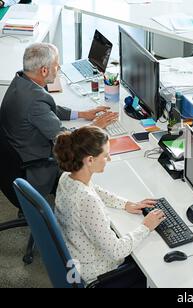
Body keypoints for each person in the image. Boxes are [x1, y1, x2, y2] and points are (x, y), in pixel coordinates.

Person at [53, 126, 166, 287]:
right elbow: (116, 250)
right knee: (153, 265)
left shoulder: (68, 177)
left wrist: (125, 204)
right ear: (90, 159)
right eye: (106, 156)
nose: (110, 159)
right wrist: (146, 226)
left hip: (75, 254)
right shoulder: (86, 201)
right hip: (96, 272)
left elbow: (94, 189)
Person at [0, 43, 118, 196]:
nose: (59, 68)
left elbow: (48, 107)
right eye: (56, 65)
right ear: (44, 70)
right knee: (94, 160)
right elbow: (67, 139)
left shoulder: (21, 81)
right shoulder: (34, 102)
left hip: (17, 155)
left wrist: (82, 114)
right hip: (37, 168)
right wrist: (95, 126)